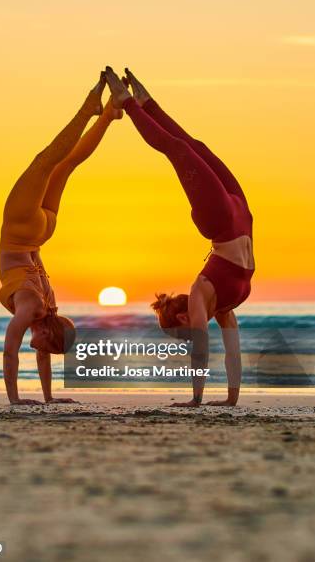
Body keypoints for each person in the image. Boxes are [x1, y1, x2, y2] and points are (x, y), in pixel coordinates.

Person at [105, 66, 255, 407]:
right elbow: (233, 352)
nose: (189, 337)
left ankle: (130, 102)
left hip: (219, 219)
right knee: (191, 147)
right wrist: (231, 400)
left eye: (182, 333)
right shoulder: (225, 307)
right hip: (242, 214)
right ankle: (146, 104)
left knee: (182, 150)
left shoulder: (201, 293)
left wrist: (196, 400)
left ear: (185, 320)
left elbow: (201, 350)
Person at [0, 74, 123, 405]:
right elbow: (10, 350)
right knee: (47, 162)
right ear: (47, 333)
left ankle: (109, 114)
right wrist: (16, 401)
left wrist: (48, 399)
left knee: (64, 165)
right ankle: (92, 110)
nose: (33, 345)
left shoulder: (48, 305)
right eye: (41, 343)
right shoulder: (33, 309)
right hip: (21, 229)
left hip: (41, 233)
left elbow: (31, 351)